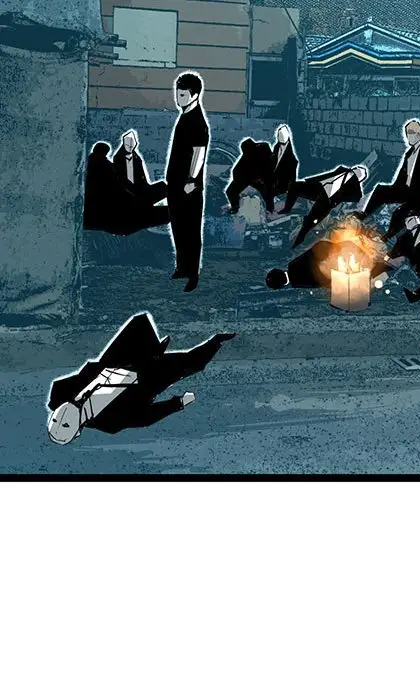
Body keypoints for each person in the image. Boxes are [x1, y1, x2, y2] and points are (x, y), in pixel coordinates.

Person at [47, 313, 235, 444]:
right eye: (66, 425)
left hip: (121, 357)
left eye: (54, 420)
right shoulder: (109, 423)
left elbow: (86, 372)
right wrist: (178, 403)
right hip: (147, 378)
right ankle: (216, 341)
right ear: (78, 432)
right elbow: (146, 417)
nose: (62, 417)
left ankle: (154, 349)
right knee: (192, 363)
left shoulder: (59, 392)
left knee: (141, 322)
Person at [351, 119, 420, 240]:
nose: (408, 137)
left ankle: (388, 236)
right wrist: (394, 188)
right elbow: (402, 174)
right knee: (380, 190)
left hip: (419, 196)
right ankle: (364, 214)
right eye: (407, 134)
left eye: (410, 134)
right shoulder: (410, 152)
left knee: (399, 212)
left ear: (418, 134)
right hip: (405, 189)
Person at [166, 72, 210, 293]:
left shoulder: (197, 121)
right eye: (177, 93)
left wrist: (191, 180)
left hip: (188, 186)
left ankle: (193, 274)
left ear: (195, 95)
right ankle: (182, 267)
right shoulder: (185, 116)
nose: (178, 98)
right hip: (176, 184)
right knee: (178, 226)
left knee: (191, 229)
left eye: (182, 95)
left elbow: (199, 154)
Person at [84, 141, 169, 235]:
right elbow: (115, 187)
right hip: (118, 215)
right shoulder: (100, 166)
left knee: (160, 206)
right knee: (162, 210)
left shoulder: (97, 164)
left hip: (119, 212)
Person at [278, 164, 368, 249]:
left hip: (328, 199)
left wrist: (339, 198)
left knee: (310, 221)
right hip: (319, 188)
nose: (355, 173)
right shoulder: (342, 170)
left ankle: (298, 241)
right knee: (294, 186)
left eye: (358, 174)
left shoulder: (355, 190)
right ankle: (287, 209)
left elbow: (356, 197)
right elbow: (328, 175)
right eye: (356, 170)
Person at [265, 236, 391, 290]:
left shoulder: (298, 283)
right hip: (335, 256)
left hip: (339, 271)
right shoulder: (292, 266)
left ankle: (388, 266)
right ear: (280, 271)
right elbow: (312, 252)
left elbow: (322, 282)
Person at [112, 129, 168, 207]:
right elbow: (120, 178)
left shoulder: (136, 158)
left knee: (163, 187)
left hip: (140, 189)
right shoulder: (118, 158)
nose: (130, 148)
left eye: (132, 146)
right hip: (126, 191)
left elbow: (142, 176)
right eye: (127, 145)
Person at [224, 137, 274, 214]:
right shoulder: (246, 157)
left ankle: (270, 209)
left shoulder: (263, 149)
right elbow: (237, 172)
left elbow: (271, 164)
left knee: (267, 192)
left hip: (262, 178)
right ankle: (235, 207)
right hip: (248, 178)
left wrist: (263, 178)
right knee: (230, 190)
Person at [268, 124, 299, 211]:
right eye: (279, 135)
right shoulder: (276, 147)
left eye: (282, 135)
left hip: (283, 186)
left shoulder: (291, 156)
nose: (280, 137)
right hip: (273, 183)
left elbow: (292, 175)